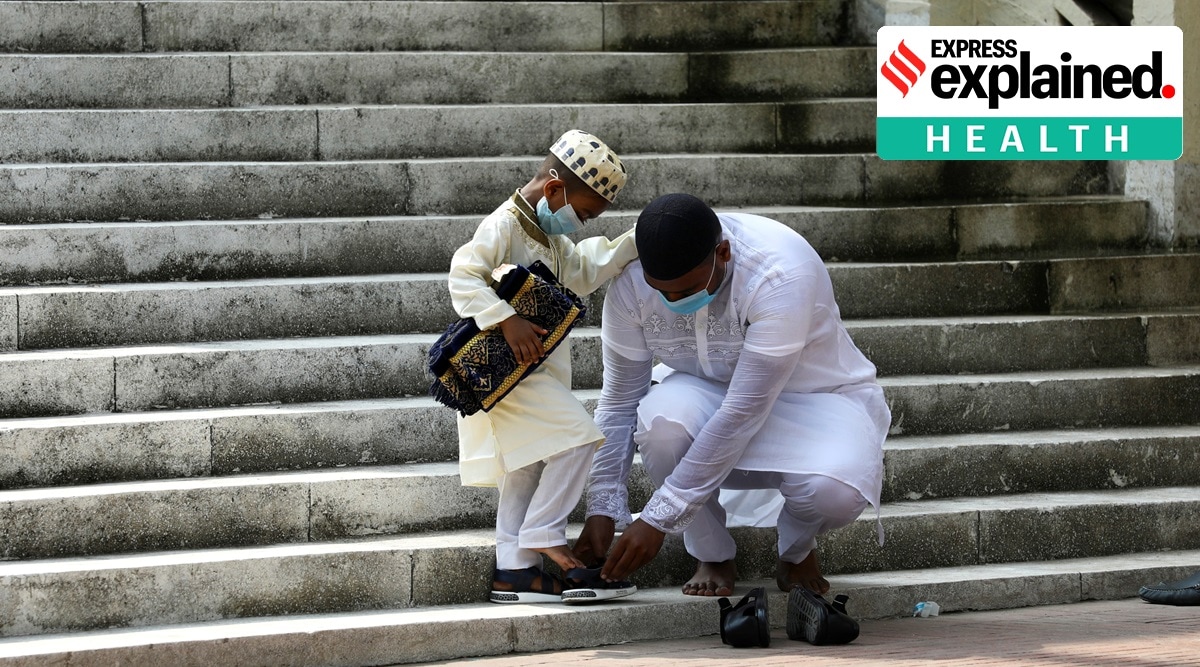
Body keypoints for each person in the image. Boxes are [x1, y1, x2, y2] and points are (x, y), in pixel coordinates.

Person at [573, 192, 889, 597]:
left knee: (836, 493)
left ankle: (796, 550)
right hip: (701, 392)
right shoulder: (632, 281)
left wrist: (657, 518)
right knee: (662, 429)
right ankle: (712, 553)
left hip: (813, 397)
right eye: (661, 291)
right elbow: (619, 401)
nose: (673, 302)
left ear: (722, 253)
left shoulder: (778, 273)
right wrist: (603, 504)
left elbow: (742, 411)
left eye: (684, 290)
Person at [448, 130, 638, 604]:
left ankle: (515, 572)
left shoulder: (550, 238)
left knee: (526, 467)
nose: (581, 223)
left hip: (530, 373)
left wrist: (637, 241)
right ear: (555, 190)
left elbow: (584, 270)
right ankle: (543, 532)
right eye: (585, 212)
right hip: (504, 371)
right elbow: (463, 273)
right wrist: (506, 318)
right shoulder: (505, 224)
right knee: (581, 438)